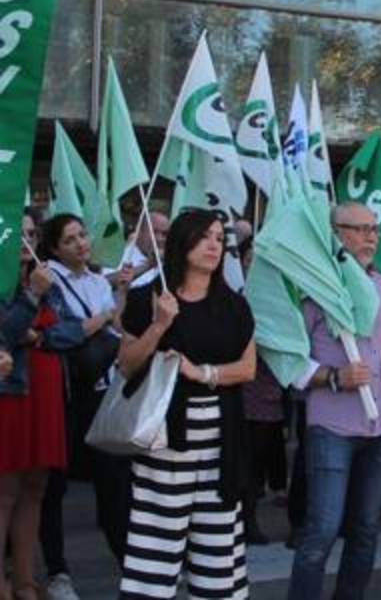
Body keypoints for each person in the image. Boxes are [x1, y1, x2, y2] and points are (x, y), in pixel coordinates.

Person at [116, 208, 257, 598]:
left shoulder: (234, 305)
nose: (214, 245)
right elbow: (126, 366)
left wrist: (204, 373)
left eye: (218, 238)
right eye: (204, 236)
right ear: (183, 241)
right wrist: (160, 325)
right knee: (154, 551)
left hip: (220, 445)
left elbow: (247, 369)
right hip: (163, 442)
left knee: (217, 556)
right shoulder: (148, 298)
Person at [288, 203, 381, 600]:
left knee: (366, 529)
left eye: (374, 229)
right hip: (332, 426)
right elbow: (289, 362)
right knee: (322, 528)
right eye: (359, 229)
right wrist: (334, 378)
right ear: (335, 233)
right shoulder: (313, 290)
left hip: (380, 428)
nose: (370, 237)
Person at [40, 213, 130, 588]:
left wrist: (118, 298)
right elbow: (61, 334)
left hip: (103, 393)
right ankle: (58, 570)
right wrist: (104, 317)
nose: (81, 243)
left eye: (82, 234)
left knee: (114, 481)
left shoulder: (97, 280)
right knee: (54, 488)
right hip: (66, 394)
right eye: (70, 239)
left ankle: (129, 560)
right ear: (54, 248)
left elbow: (115, 331)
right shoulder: (49, 280)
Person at [0, 212, 82, 600]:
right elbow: (6, 332)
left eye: (32, 233)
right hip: (13, 395)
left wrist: (35, 337)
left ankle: (26, 581)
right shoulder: (19, 285)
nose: (27, 242)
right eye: (20, 234)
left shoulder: (50, 279)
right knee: (6, 491)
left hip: (47, 395)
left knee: (36, 489)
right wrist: (30, 296)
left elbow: (72, 331)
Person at [237, 237, 285, 546]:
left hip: (272, 389)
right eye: (252, 257)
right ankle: (245, 519)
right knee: (247, 459)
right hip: (243, 388)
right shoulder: (238, 299)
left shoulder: (282, 301)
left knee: (264, 454)